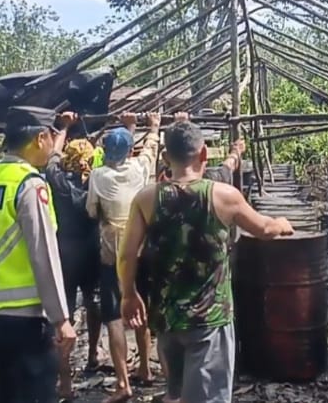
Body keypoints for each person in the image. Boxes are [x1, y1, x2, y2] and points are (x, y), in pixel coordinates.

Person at [119, 120, 294, 403]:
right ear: (203, 154)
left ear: (165, 157)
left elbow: (127, 254)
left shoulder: (147, 198)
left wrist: (128, 294)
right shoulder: (224, 196)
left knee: (175, 394)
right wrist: (282, 223)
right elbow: (264, 229)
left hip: (167, 320)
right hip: (209, 321)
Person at [0, 106, 76, 403]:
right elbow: (44, 254)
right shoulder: (29, 184)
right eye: (52, 137)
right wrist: (61, 318)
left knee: (6, 395)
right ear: (41, 138)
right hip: (27, 317)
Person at [86, 112, 162, 403]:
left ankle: (122, 381)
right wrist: (153, 126)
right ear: (131, 151)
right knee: (141, 307)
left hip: (111, 256)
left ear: (105, 152)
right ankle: (145, 368)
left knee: (114, 316)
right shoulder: (139, 170)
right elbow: (151, 150)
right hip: (140, 251)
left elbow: (92, 211)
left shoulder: (98, 176)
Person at [44, 128, 104, 399]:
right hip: (92, 250)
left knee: (63, 314)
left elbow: (52, 156)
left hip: (65, 253)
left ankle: (65, 378)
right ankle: (93, 353)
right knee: (94, 303)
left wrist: (63, 128)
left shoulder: (57, 180)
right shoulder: (97, 181)